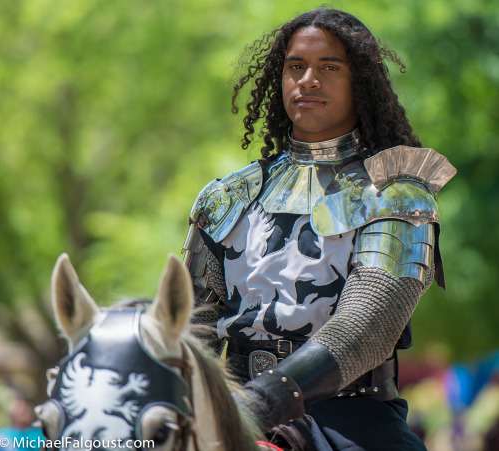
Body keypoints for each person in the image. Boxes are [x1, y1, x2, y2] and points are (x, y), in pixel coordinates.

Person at [182, 8, 456, 451]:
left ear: (359, 84)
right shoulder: (225, 198)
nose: (308, 80)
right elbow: (192, 329)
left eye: (329, 67)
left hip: (350, 420)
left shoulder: (396, 195)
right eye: (296, 67)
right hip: (229, 416)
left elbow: (366, 325)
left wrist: (262, 401)